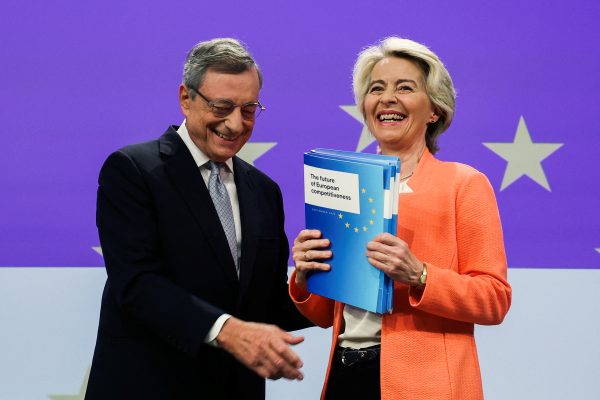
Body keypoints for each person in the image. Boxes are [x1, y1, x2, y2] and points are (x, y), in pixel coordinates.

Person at [85, 38, 311, 400]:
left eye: (249, 109)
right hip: (149, 387)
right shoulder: (133, 170)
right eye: (222, 106)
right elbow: (137, 283)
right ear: (185, 98)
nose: (236, 124)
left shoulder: (264, 191)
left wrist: (309, 281)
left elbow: (266, 305)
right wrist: (226, 330)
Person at [290, 37, 512, 400]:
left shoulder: (465, 184)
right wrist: (305, 272)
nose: (387, 98)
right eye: (376, 89)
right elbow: (322, 313)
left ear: (434, 110)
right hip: (345, 377)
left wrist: (421, 276)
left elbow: (494, 299)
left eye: (404, 88)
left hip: (428, 386)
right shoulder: (344, 184)